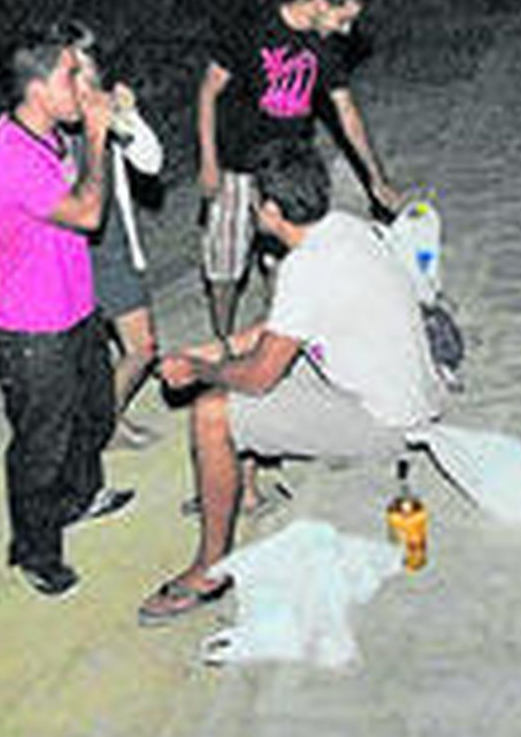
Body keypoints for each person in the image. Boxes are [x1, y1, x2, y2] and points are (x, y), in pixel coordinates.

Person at [138, 139, 442, 625]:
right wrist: (207, 351)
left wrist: (199, 372)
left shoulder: (304, 268)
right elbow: (276, 330)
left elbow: (258, 378)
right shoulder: (345, 227)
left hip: (387, 422)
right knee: (256, 365)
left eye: (258, 200)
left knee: (213, 411)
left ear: (273, 210)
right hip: (410, 390)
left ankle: (210, 572)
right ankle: (243, 492)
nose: (254, 207)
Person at [0, 24, 136, 598]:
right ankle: (35, 550)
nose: (84, 84)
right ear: (40, 87)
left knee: (93, 414)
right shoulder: (11, 154)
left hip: (76, 307)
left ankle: (79, 497)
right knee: (40, 445)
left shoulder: (48, 133)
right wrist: (96, 134)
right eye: (72, 74)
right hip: (33, 327)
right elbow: (90, 212)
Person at [197, 0, 403, 342]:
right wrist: (208, 161)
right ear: (320, 3)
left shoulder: (323, 45)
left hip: (291, 166)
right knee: (225, 265)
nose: (347, 30)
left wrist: (377, 178)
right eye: (343, 19)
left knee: (291, 265)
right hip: (239, 164)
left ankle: (278, 346)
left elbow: (348, 113)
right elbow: (209, 90)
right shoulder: (252, 27)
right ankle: (224, 343)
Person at [63, 35, 166, 450]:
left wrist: (130, 115)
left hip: (112, 243)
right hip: (68, 254)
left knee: (142, 347)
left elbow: (150, 161)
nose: (85, 83)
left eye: (89, 70)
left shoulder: (105, 110)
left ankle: (103, 421)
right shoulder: (46, 125)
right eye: (74, 73)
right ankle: (109, 424)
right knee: (89, 356)